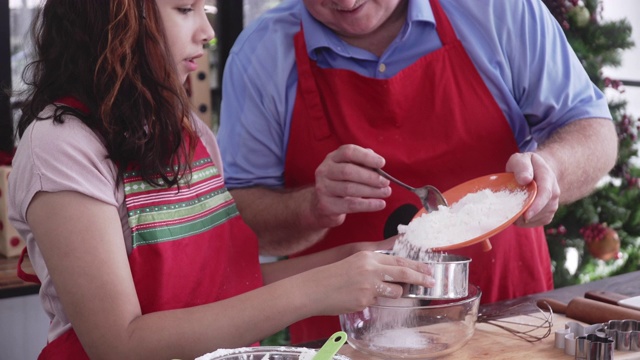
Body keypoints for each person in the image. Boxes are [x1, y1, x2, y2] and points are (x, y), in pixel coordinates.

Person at [7, 1, 435, 359]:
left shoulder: (188, 133)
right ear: (113, 20)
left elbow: (230, 287)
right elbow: (119, 341)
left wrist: (360, 257)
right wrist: (318, 290)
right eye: (185, 9)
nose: (207, 31)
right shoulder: (61, 147)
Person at [217, 0, 619, 344]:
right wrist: (311, 207)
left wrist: (551, 169)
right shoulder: (261, 55)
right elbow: (239, 224)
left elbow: (593, 130)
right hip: (348, 338)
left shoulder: (497, 10)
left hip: (509, 317)